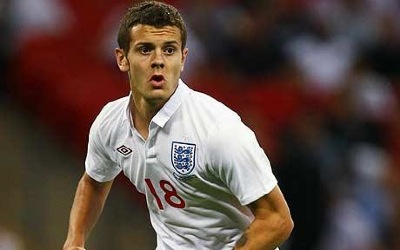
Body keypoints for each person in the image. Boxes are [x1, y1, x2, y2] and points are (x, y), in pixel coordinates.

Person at [63, 1, 294, 250]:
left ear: (183, 59)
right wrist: (75, 240)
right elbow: (94, 182)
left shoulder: (218, 130)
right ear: (122, 59)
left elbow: (277, 220)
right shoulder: (111, 123)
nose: (158, 61)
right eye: (145, 49)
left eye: (169, 50)